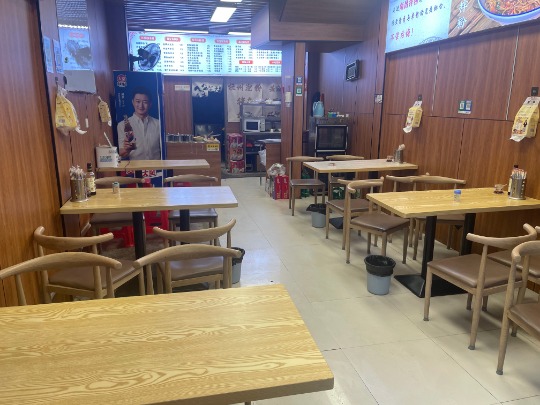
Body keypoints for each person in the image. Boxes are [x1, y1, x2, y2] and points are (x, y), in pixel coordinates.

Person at [118, 86, 161, 160]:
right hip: (135, 166)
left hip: (156, 166)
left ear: (150, 104)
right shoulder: (122, 125)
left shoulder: (159, 124)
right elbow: (122, 154)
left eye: (145, 102)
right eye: (138, 101)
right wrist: (126, 149)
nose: (141, 106)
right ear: (133, 102)